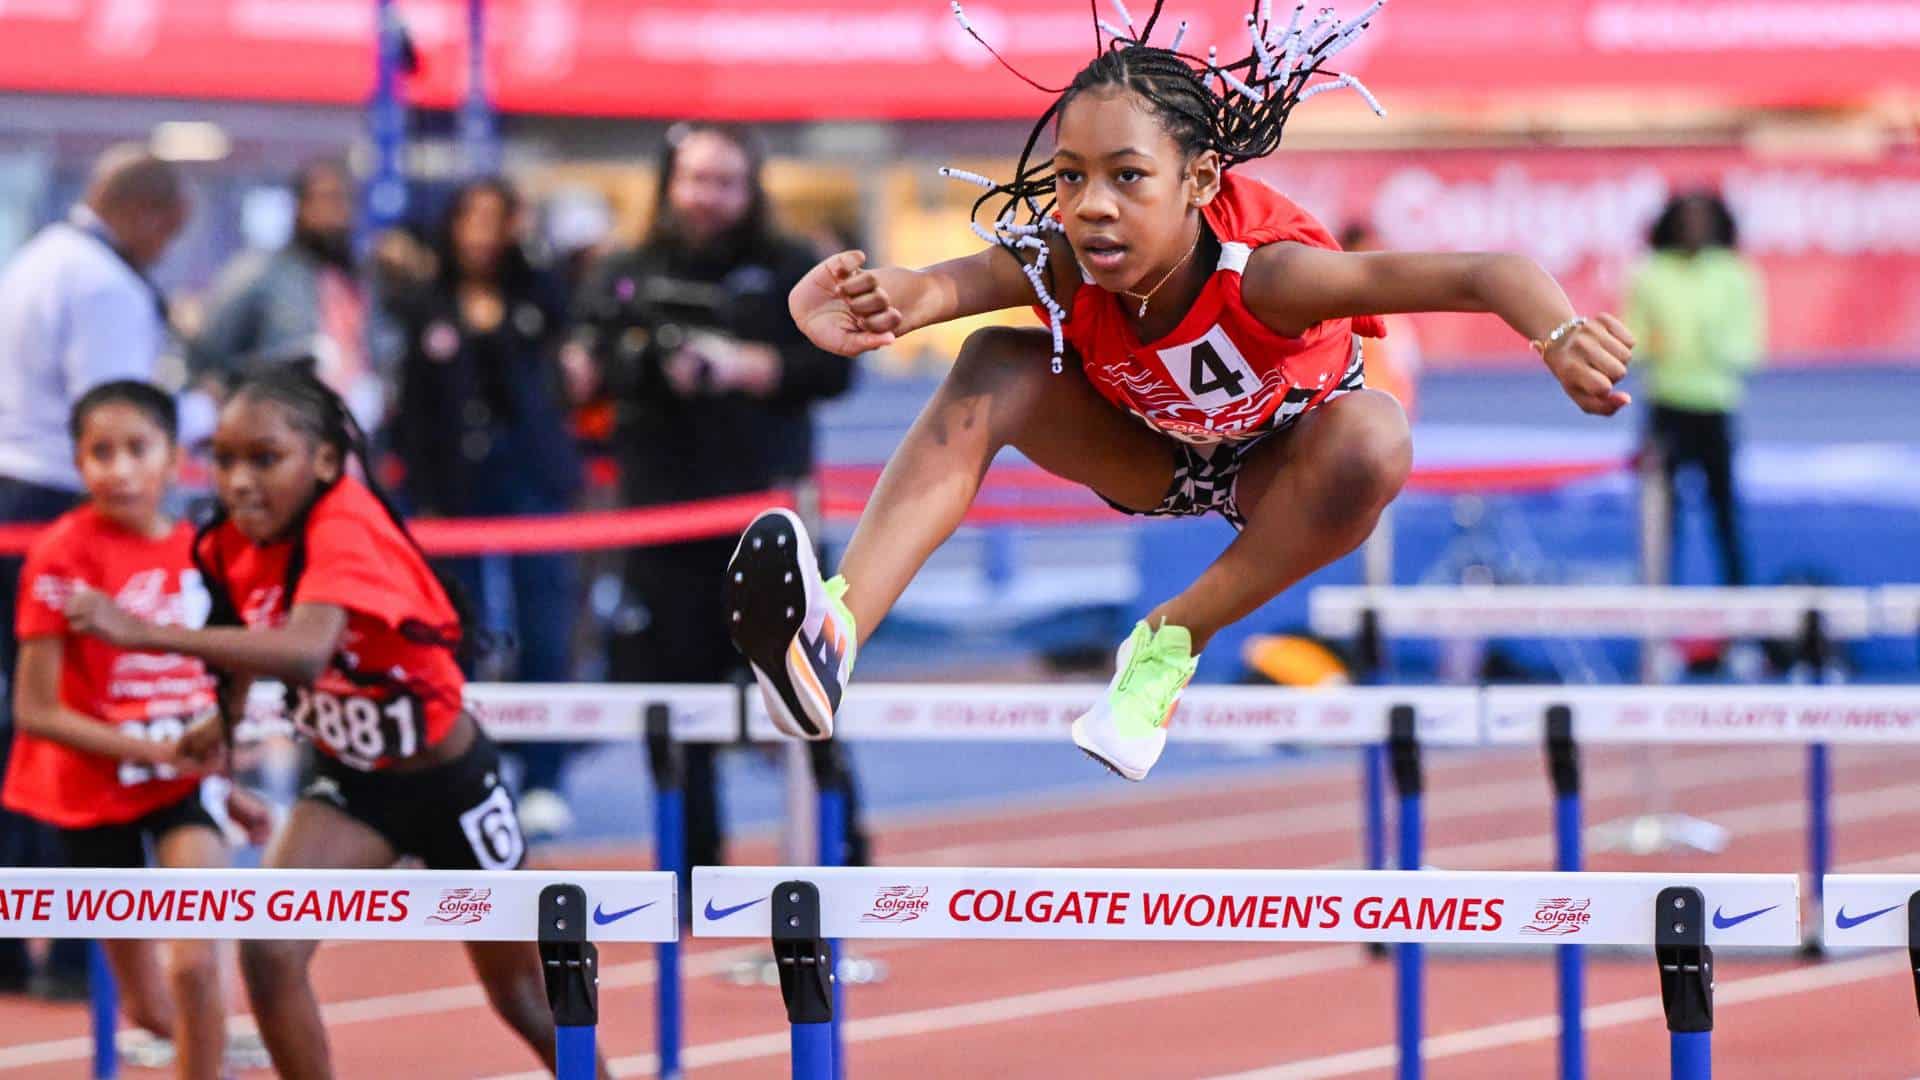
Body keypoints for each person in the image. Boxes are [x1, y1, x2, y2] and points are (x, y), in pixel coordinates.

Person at [726, 2, 1634, 781]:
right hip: (1151, 454)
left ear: (1198, 181)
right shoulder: (1060, 258)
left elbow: (1485, 270)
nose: (1091, 206)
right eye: (1071, 178)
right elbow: (935, 289)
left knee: (1377, 435)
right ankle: (834, 634)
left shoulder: (1273, 277)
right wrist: (859, 304)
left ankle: (1166, 645)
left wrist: (1558, 335)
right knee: (992, 365)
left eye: (1127, 177)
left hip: (1284, 465)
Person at [61, 366, 608, 1079]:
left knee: (521, 995)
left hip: (448, 783)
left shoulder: (346, 521)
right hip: (351, 784)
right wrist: (220, 723)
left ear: (323, 462)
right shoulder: (228, 539)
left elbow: (304, 646)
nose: (239, 482)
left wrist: (140, 633)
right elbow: (243, 634)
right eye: (224, 461)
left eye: (265, 459)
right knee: (268, 945)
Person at [576, 123, 863, 881]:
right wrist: (632, 364)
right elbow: (584, 365)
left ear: (751, 186)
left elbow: (836, 369)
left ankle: (842, 862)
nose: (707, 197)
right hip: (662, 525)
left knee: (811, 695)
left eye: (724, 181)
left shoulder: (790, 266)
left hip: (771, 526)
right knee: (672, 707)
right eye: (695, 179)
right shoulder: (624, 271)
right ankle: (690, 871)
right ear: (669, 180)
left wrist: (746, 367)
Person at [4, 382, 271, 1077]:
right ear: (76, 461)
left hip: (183, 791)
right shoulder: (60, 557)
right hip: (91, 795)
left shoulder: (204, 555)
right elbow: (35, 712)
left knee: (195, 970)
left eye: (136, 449)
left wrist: (222, 783)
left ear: (173, 460)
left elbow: (214, 690)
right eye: (99, 452)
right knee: (153, 1008)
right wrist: (150, 750)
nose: (117, 469)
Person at [0, 145, 186, 997]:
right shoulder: (105, 284)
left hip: (18, 501)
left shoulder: (37, 255)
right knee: (77, 723)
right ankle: (81, 954)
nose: (164, 252)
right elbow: (118, 421)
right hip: (59, 515)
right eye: (167, 235)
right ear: (146, 214)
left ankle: (26, 944)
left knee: (25, 723)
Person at [393, 178, 582, 834]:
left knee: (544, 629)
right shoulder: (425, 302)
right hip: (454, 494)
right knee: (459, 634)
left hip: (532, 483)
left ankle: (545, 777)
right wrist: (424, 499)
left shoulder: (536, 294)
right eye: (467, 217)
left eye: (492, 219)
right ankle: (465, 770)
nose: (478, 232)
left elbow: (553, 361)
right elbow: (412, 410)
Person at [1626, 190, 1765, 586]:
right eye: (1686, 220)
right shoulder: (1649, 273)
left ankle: (1740, 622)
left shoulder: (1735, 274)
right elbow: (1629, 337)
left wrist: (1711, 346)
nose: (1694, 229)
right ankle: (1656, 617)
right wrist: (1653, 347)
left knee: (1725, 516)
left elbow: (1748, 348)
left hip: (1715, 406)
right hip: (1664, 406)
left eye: (1702, 221)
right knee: (1660, 520)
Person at [190, 159, 384, 433]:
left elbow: (379, 350)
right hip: (279, 432)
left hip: (349, 436)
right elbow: (209, 355)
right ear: (301, 207)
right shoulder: (260, 273)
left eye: (345, 201)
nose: (338, 213)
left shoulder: (356, 279)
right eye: (327, 200)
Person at [1339, 222, 1422, 421]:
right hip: (1354, 414)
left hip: (1387, 412)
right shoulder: (1336, 308)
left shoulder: (1390, 311)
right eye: (1366, 252)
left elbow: (1406, 362)